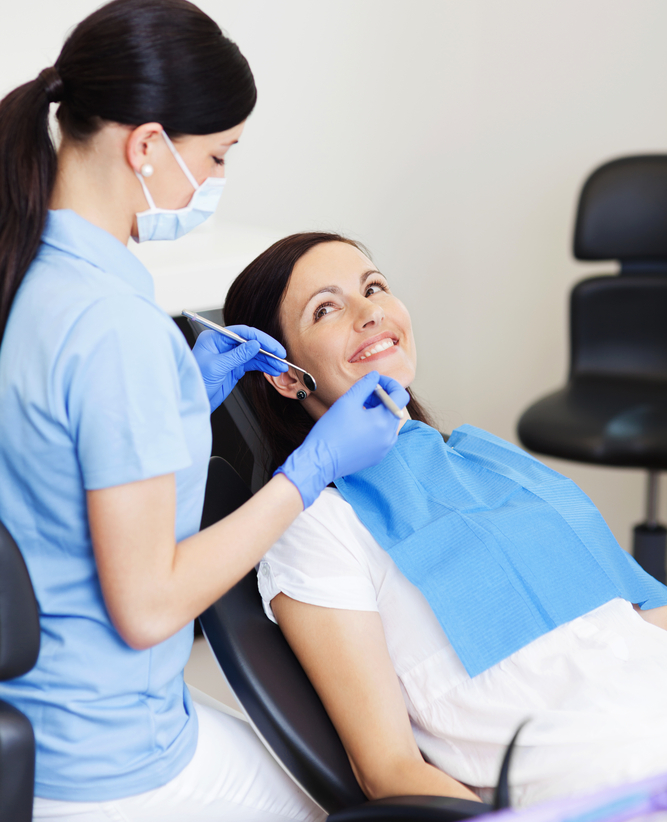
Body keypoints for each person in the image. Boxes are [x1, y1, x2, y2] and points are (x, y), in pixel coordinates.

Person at [0, 0, 409, 822]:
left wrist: (186, 394)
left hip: (45, 718)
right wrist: (309, 469)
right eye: (218, 158)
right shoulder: (114, 330)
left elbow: (65, 451)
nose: (218, 180)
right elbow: (149, 605)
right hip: (109, 762)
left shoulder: (31, 273)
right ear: (148, 146)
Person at [222, 231, 667, 810]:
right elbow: (388, 771)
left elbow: (645, 614)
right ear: (285, 375)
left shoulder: (492, 460)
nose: (370, 312)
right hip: (608, 779)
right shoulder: (317, 525)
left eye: (374, 287)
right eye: (326, 309)